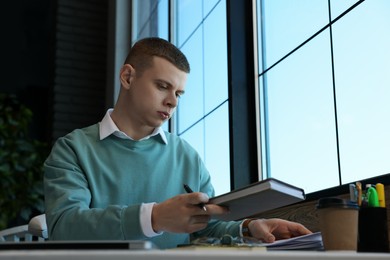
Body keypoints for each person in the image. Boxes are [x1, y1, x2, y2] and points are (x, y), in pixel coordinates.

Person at [43, 37, 311, 249]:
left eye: (179, 93)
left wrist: (249, 228)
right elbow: (65, 228)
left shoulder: (187, 155)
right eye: (162, 86)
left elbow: (205, 228)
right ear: (127, 77)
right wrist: (154, 217)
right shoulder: (72, 149)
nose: (173, 101)